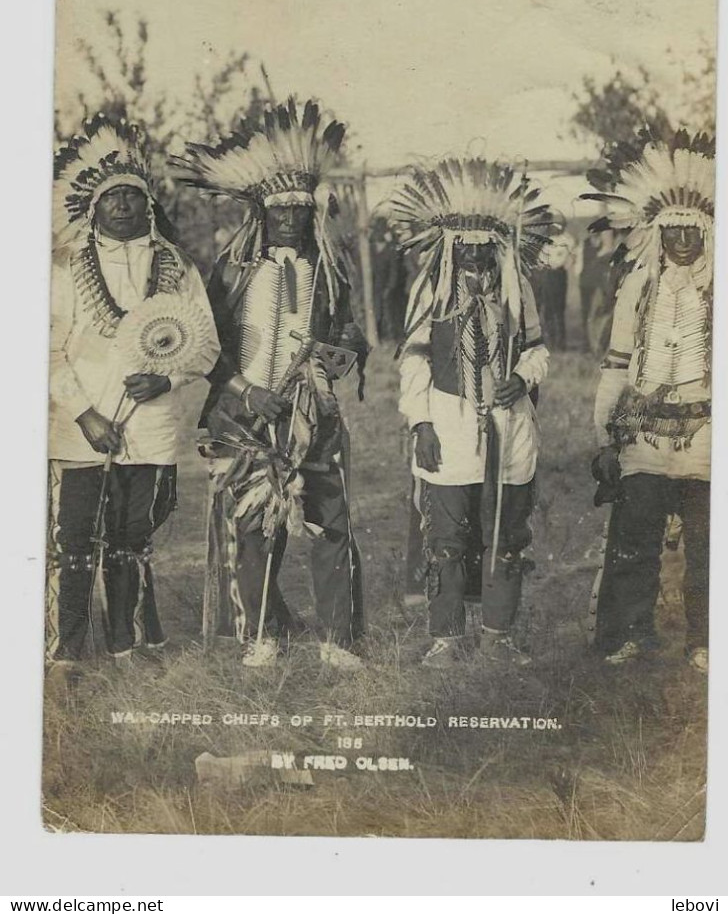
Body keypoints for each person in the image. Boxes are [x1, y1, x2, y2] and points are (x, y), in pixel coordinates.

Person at [174, 98, 367, 670]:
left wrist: (337, 360)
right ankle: (261, 634)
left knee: (329, 520)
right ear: (260, 212)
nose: (289, 219)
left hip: (313, 418)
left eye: (299, 210)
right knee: (254, 525)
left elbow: (350, 331)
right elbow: (205, 347)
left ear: (312, 214)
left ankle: (338, 639)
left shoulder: (330, 272)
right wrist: (245, 391)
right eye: (278, 210)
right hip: (246, 417)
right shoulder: (232, 270)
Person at [47, 115, 220, 673]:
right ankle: (67, 653)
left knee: (132, 538)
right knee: (74, 543)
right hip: (81, 429)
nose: (122, 204)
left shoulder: (177, 266)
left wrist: (167, 379)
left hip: (150, 426)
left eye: (132, 195)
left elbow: (209, 348)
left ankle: (130, 646)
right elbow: (43, 350)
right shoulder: (66, 265)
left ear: (148, 204)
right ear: (92, 207)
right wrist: (84, 413)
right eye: (111, 196)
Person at [391, 156, 557, 668]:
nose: (475, 251)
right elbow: (413, 359)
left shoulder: (516, 287)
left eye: (485, 242)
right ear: (447, 242)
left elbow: (537, 350)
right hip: (448, 421)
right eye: (464, 242)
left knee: (505, 531)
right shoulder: (430, 289)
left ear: (499, 241)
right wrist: (421, 423)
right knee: (447, 536)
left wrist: (523, 378)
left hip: (508, 424)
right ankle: (445, 637)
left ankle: (498, 635)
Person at [585, 131, 713, 674]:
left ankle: (706, 640)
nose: (682, 240)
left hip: (707, 435)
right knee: (633, 538)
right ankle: (630, 633)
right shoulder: (637, 288)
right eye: (673, 231)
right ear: (657, 235)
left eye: (692, 230)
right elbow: (616, 364)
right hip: (642, 432)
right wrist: (602, 439)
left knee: (709, 545)